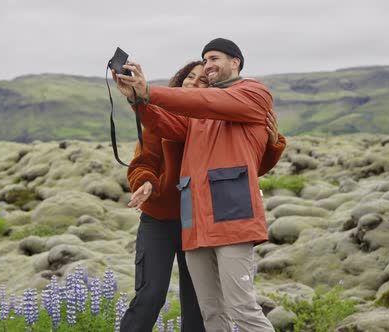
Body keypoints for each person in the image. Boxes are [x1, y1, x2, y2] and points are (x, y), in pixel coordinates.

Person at [113, 38, 280, 332]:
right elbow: (165, 125)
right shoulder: (197, 117)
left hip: (231, 217)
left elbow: (208, 102)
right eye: (204, 60)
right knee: (210, 311)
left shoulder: (253, 92)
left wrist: (149, 91)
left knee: (242, 308)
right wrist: (137, 99)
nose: (208, 65)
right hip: (195, 221)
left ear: (235, 62)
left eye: (214, 58)